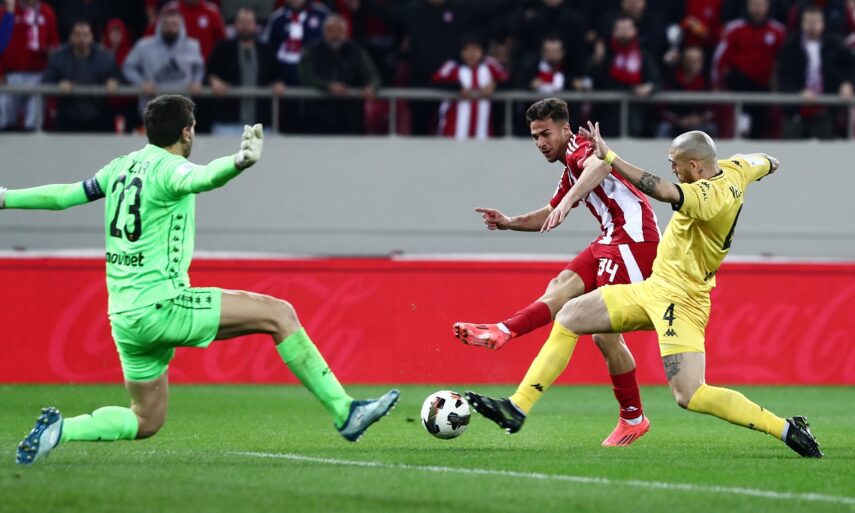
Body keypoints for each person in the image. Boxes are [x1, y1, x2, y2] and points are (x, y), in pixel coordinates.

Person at [5, 95, 399, 465]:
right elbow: (205, 177)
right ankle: (345, 411)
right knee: (280, 314)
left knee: (146, 419)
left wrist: (6, 197)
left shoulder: (119, 167)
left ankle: (62, 429)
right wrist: (239, 162)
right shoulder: (171, 169)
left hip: (124, 318)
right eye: (192, 127)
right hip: (163, 305)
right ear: (186, 132)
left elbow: (64, 196)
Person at [543, 121, 823, 458]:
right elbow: (764, 161)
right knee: (572, 316)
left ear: (695, 165)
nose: (672, 170)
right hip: (658, 288)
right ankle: (523, 404)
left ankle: (785, 429)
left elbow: (662, 191)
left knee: (690, 394)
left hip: (684, 299)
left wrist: (611, 157)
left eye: (675, 164)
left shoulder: (708, 198)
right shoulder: (735, 168)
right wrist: (769, 164)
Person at [454, 98, 661, 446]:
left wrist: (568, 202)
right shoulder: (569, 168)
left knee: (603, 334)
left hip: (633, 240)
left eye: (546, 134)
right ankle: (504, 330)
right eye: (535, 136)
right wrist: (509, 222)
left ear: (565, 129)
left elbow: (602, 166)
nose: (540, 143)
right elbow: (548, 213)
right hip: (610, 238)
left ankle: (633, 418)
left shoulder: (580, 149)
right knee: (560, 286)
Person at [776, 5, 855, 139]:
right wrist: (798, 92)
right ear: (802, 23)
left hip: (825, 110)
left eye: (816, 22)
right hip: (795, 109)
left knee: (825, 148)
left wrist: (847, 83)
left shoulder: (835, 45)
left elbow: (850, 67)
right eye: (809, 22)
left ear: (823, 23)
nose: (812, 26)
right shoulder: (790, 47)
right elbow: (783, 78)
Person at [712, 0, 786, 138]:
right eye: (754, 4)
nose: (757, 9)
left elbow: (783, 62)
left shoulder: (778, 31)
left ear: (768, 6)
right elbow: (719, 59)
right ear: (747, 6)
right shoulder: (734, 29)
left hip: (764, 91)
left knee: (759, 130)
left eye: (761, 5)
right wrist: (716, 83)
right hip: (738, 88)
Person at [299, 14, 380, 134]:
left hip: (350, 118)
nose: (335, 35)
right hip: (318, 117)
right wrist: (327, 86)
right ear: (324, 32)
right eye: (331, 30)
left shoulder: (356, 51)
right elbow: (305, 76)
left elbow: (373, 76)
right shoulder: (311, 51)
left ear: (345, 32)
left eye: (339, 30)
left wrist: (372, 87)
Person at [206, 7, 278, 133]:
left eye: (249, 22)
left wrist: (278, 83)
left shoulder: (267, 50)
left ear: (255, 25)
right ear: (234, 25)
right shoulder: (222, 48)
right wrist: (214, 81)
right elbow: (209, 72)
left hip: (260, 123)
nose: (245, 26)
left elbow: (276, 76)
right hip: (228, 122)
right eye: (241, 22)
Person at [42, 20, 121, 132]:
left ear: (92, 37)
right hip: (68, 117)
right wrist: (59, 84)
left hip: (98, 116)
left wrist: (113, 80)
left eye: (85, 34)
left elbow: (119, 77)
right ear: (71, 37)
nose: (81, 39)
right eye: (77, 34)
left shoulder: (106, 57)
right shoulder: (58, 57)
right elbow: (46, 81)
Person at [123, 9, 205, 117]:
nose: (170, 27)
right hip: (152, 110)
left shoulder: (192, 46)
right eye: (166, 24)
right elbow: (128, 67)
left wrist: (197, 81)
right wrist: (141, 83)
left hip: (182, 111)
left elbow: (199, 68)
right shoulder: (144, 46)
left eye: (174, 24)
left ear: (181, 26)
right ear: (159, 25)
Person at [432, 36, 509, 140]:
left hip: (483, 135)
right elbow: (435, 81)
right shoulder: (452, 66)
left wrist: (494, 85)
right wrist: (457, 88)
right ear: (461, 52)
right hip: (452, 134)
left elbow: (508, 80)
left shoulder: (490, 65)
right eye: (467, 49)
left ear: (482, 51)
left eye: (475, 49)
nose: (471, 54)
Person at [0, 0, 59, 131]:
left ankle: (33, 138)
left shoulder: (47, 12)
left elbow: (54, 43)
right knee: (6, 117)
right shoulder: (6, 11)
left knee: (34, 121)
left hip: (38, 75)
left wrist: (50, 53)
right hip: (11, 75)